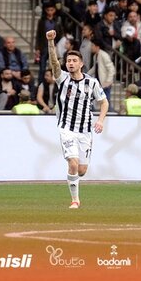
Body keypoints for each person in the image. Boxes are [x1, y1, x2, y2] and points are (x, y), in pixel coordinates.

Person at [46, 30, 108, 209]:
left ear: (81, 64)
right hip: (67, 128)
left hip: (85, 131)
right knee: (72, 163)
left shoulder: (92, 82)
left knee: (81, 170)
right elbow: (54, 63)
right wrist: (51, 42)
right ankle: (75, 200)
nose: (70, 63)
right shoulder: (63, 79)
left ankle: (74, 183)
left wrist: (100, 120)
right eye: (68, 61)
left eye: (74, 61)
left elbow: (104, 102)